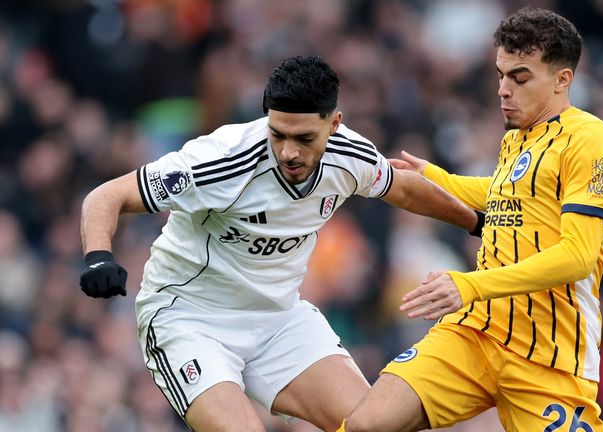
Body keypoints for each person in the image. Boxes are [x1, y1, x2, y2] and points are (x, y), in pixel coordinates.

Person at [78, 55, 483, 432]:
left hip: (278, 318)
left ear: (334, 123)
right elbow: (106, 196)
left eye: (305, 138)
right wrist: (99, 257)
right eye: (278, 134)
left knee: (374, 424)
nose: (289, 152)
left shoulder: (350, 155)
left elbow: (404, 189)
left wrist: (478, 223)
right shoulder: (221, 160)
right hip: (189, 318)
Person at [340, 8, 603, 432]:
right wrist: (435, 178)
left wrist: (469, 284)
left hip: (548, 358)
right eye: (500, 74)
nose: (503, 90)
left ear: (562, 80)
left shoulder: (591, 141)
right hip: (475, 331)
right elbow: (507, 194)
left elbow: (578, 256)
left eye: (520, 77)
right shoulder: (517, 138)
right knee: (365, 424)